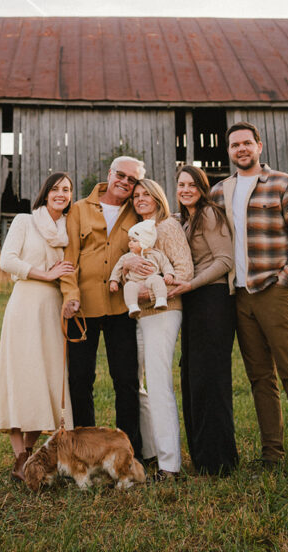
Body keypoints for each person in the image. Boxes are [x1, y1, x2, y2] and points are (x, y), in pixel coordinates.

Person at [211, 122, 288, 476]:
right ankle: (271, 456)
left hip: (275, 291)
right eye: (235, 145)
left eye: (247, 143)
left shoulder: (282, 184)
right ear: (229, 151)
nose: (241, 149)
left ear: (259, 146)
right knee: (260, 379)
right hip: (239, 296)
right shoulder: (220, 191)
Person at [0, 172, 75, 481]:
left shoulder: (69, 229)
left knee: (44, 379)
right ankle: (21, 459)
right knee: (21, 376)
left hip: (52, 309)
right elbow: (7, 260)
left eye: (67, 190)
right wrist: (45, 273)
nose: (61, 194)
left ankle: (27, 454)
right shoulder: (25, 222)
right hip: (25, 305)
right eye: (56, 189)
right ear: (45, 193)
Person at [60, 156, 146, 460]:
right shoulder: (79, 210)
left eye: (132, 180)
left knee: (126, 380)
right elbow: (69, 258)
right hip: (82, 308)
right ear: (109, 174)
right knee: (80, 380)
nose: (125, 182)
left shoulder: (137, 212)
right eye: (120, 175)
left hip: (122, 308)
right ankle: (86, 454)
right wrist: (70, 295)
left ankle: (129, 453)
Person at [128, 177, 194, 479]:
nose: (141, 199)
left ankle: (170, 465)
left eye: (147, 194)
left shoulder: (167, 226)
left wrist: (151, 294)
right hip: (140, 315)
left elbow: (184, 270)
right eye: (136, 195)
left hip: (164, 312)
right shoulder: (138, 231)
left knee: (158, 383)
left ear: (158, 198)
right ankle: (152, 450)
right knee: (137, 382)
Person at [175, 164, 238, 475]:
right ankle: (202, 457)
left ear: (203, 189)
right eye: (181, 185)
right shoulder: (185, 220)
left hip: (213, 300)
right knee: (193, 377)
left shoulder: (210, 214)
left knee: (210, 379)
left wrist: (191, 284)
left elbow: (225, 260)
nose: (186, 190)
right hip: (194, 300)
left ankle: (219, 462)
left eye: (192, 185)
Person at [109, 219, 175, 316]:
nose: (130, 243)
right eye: (130, 240)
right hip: (135, 282)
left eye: (134, 240)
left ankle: (161, 299)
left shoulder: (156, 254)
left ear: (145, 241)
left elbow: (165, 264)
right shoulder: (127, 257)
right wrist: (114, 281)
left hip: (150, 280)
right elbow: (117, 269)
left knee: (157, 280)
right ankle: (133, 307)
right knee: (128, 287)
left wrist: (168, 274)